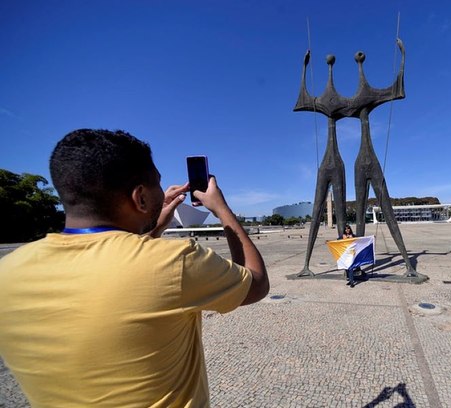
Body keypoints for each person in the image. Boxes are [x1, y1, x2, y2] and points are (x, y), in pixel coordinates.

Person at [0, 129, 269, 407]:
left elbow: (112, 265)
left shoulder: (8, 272)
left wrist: (154, 227)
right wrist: (222, 210)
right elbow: (257, 283)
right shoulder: (176, 260)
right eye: (158, 184)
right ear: (140, 197)